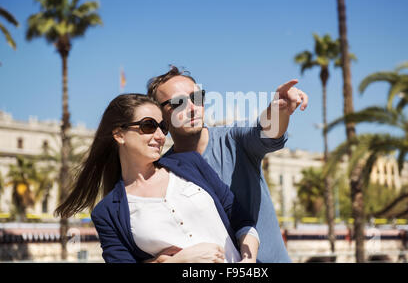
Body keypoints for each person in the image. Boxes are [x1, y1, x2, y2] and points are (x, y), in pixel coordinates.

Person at [54, 93, 260, 263]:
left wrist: (247, 261)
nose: (161, 136)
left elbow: (242, 220)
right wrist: (178, 261)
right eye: (148, 126)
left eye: (163, 127)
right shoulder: (107, 213)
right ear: (119, 134)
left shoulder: (191, 164)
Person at [147, 66, 308, 262]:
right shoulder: (162, 173)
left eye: (197, 98)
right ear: (160, 116)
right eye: (178, 103)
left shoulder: (233, 140)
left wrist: (278, 109)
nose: (191, 108)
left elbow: (266, 131)